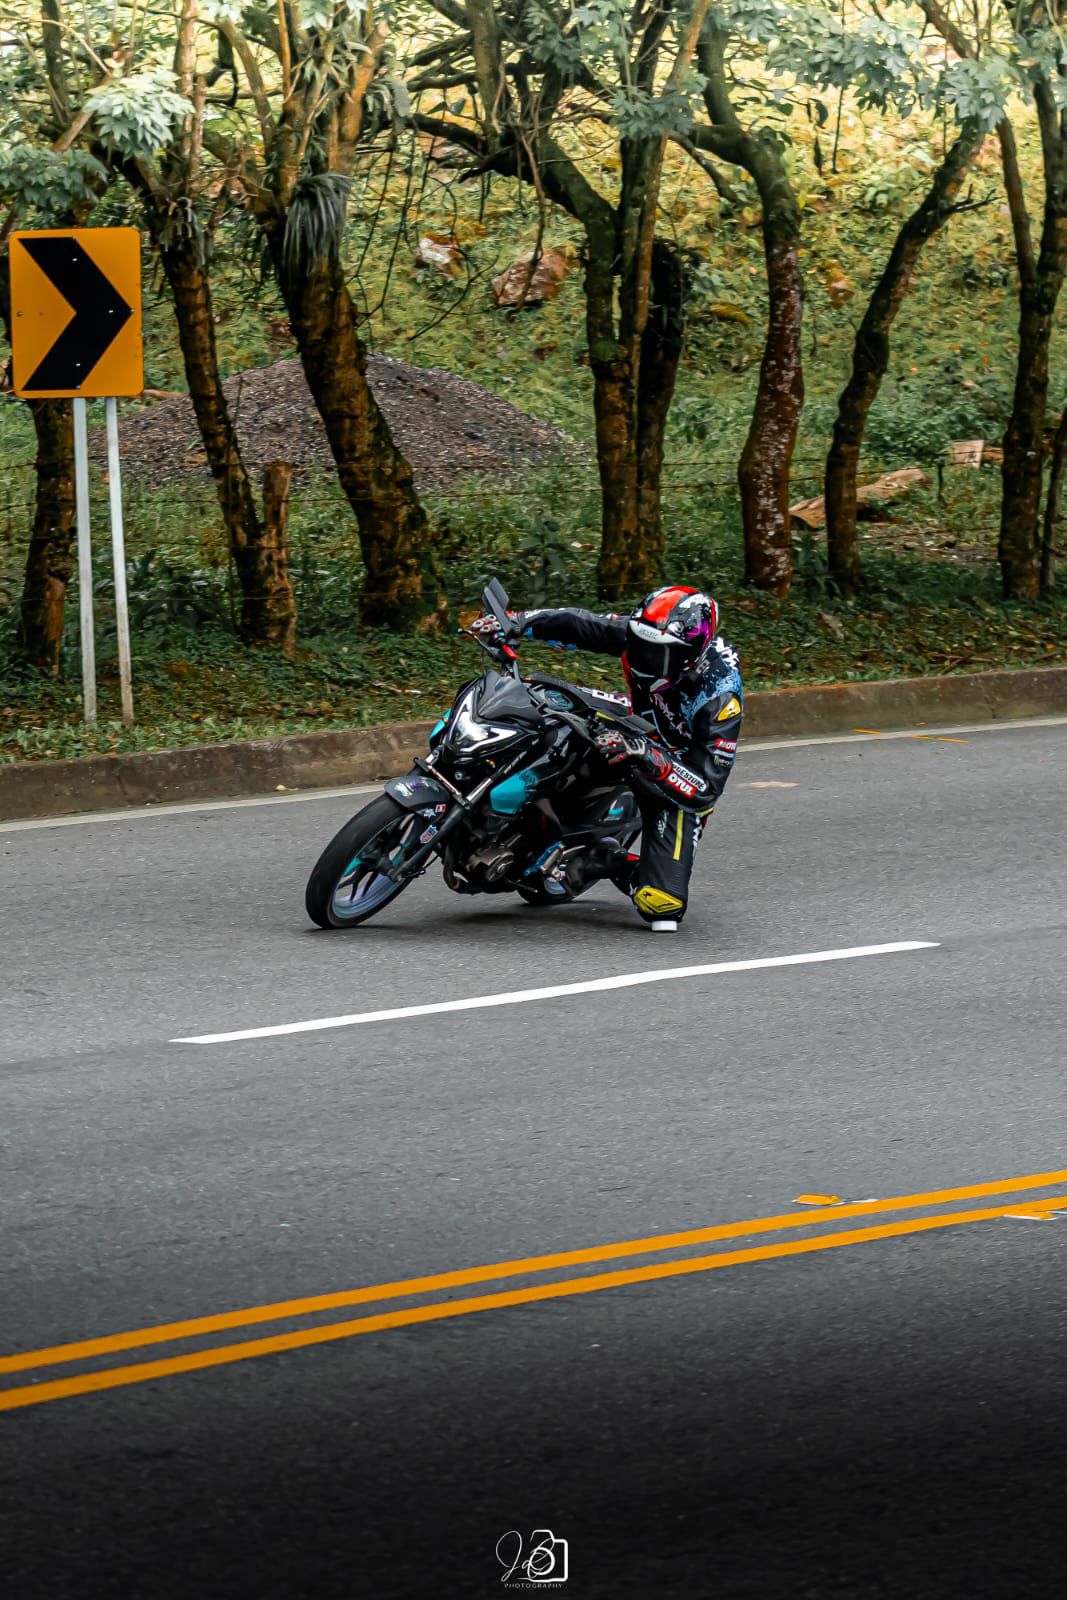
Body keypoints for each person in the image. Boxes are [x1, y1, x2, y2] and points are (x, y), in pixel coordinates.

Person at [475, 585, 742, 931]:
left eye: (656, 654)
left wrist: (649, 756)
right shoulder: (647, 632)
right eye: (639, 644)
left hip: (673, 771)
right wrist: (514, 622)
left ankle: (603, 858)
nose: (643, 657)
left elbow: (705, 788)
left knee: (661, 905)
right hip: (634, 721)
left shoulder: (719, 697)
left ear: (689, 656)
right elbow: (578, 624)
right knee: (550, 702)